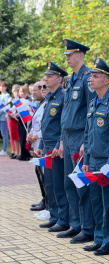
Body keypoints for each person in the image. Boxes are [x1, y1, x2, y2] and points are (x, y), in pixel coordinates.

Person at [58, 39, 96, 242]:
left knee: (82, 185)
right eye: (66, 55)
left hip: (81, 136)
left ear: (81, 55)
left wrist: (85, 141)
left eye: (70, 54)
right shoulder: (71, 79)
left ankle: (87, 228)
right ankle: (76, 224)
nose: (67, 57)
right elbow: (66, 112)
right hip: (68, 136)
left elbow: (92, 109)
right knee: (69, 183)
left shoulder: (88, 78)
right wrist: (62, 141)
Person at [82, 58, 109, 255]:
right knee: (95, 201)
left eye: (95, 76)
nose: (91, 79)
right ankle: (99, 238)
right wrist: (86, 159)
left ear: (106, 81)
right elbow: (87, 135)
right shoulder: (92, 103)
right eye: (91, 76)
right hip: (93, 159)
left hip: (106, 160)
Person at [37, 62, 70, 233]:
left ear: (59, 79)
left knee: (58, 183)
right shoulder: (50, 97)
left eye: (49, 77)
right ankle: (55, 216)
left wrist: (58, 145)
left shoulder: (63, 97)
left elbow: (63, 125)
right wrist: (42, 144)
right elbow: (46, 124)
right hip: (48, 146)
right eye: (46, 76)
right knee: (49, 183)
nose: (45, 79)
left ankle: (63, 219)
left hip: (56, 148)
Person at [28, 80, 48, 215]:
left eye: (41, 87)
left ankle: (48, 205)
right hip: (38, 145)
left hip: (44, 144)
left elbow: (49, 126)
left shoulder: (48, 104)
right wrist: (31, 133)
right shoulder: (41, 104)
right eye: (37, 88)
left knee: (46, 177)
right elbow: (37, 123)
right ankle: (45, 201)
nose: (35, 91)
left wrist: (37, 135)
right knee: (40, 174)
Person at [16, 85, 32, 161]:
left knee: (27, 137)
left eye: (24, 92)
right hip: (20, 121)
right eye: (21, 92)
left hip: (28, 121)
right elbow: (15, 111)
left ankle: (27, 153)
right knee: (22, 137)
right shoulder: (18, 101)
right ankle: (23, 153)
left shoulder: (30, 100)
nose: (23, 93)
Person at [6, 84, 21, 159]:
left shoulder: (21, 100)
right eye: (15, 91)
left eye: (18, 91)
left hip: (18, 120)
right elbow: (8, 108)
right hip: (11, 119)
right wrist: (8, 114)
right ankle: (15, 151)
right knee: (14, 136)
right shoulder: (11, 100)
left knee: (19, 136)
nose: (16, 93)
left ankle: (19, 152)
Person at [0, 81, 10, 156]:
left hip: (4, 117)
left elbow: (6, 107)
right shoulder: (1, 95)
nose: (1, 88)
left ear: (6, 87)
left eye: (3, 86)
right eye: (0, 86)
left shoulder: (7, 96)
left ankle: (4, 150)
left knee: (4, 134)